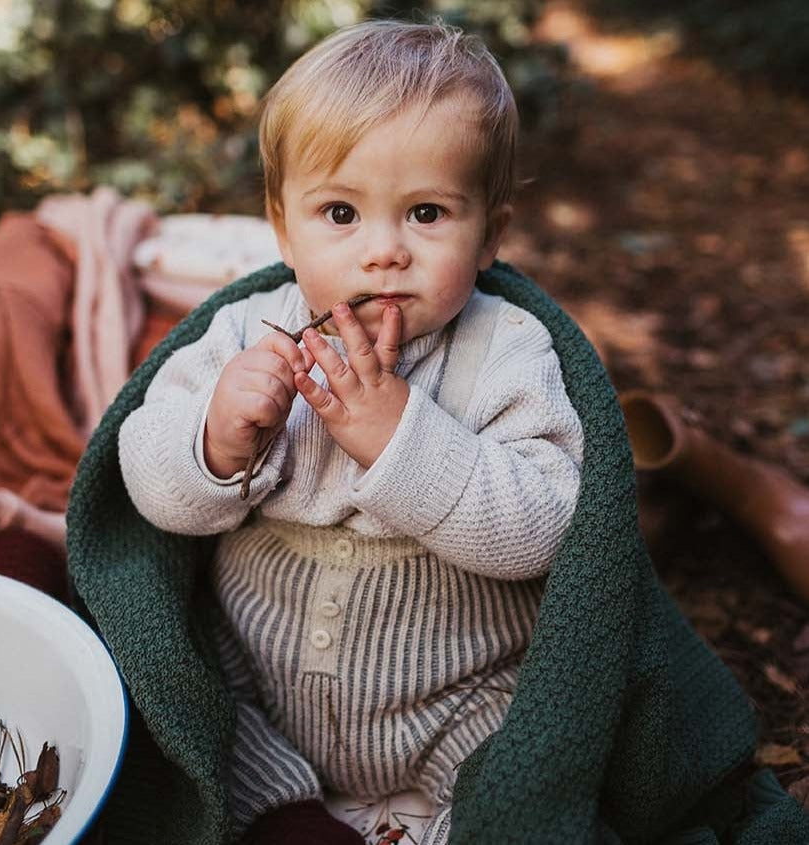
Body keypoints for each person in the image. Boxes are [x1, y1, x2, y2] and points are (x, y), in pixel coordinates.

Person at [118, 19, 583, 845]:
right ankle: (287, 814)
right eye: (340, 211)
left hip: (455, 693)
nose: (383, 251)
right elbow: (150, 485)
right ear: (282, 226)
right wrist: (217, 440)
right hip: (265, 676)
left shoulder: (505, 349)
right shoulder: (243, 334)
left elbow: (544, 527)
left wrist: (404, 436)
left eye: (427, 213)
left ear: (491, 234)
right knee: (190, 700)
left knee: (519, 768)